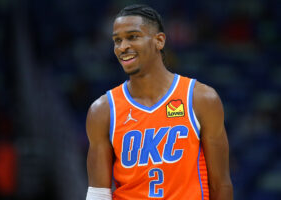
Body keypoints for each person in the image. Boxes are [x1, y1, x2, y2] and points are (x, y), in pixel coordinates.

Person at [86, 4, 233, 200]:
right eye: (117, 40)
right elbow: (98, 194)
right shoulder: (102, 110)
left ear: (159, 40)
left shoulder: (201, 99)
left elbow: (220, 184)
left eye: (132, 37)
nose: (122, 47)